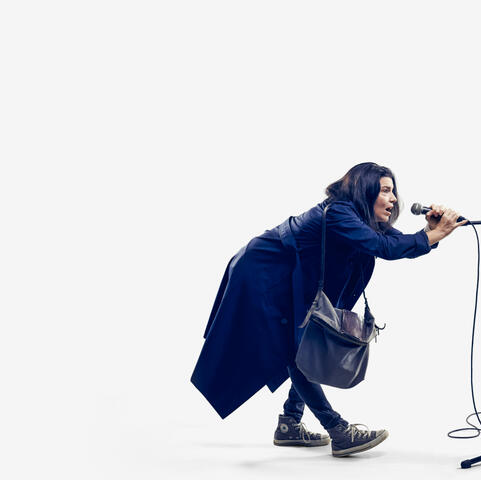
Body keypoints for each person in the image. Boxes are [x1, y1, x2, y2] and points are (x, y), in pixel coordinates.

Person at [191, 162, 466, 457]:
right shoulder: (339, 212)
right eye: (386, 190)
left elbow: (393, 242)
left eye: (393, 191)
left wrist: (430, 231)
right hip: (262, 274)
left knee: (307, 341)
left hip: (292, 275)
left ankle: (289, 423)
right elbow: (383, 247)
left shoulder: (361, 218)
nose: (394, 198)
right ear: (365, 190)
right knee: (294, 349)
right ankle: (338, 430)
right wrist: (435, 234)